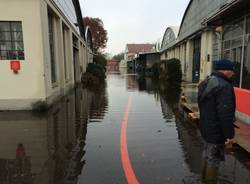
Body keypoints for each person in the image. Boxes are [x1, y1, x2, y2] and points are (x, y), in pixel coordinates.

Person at [198, 59, 236, 184]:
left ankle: (202, 180)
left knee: (207, 155)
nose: (233, 73)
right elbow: (225, 114)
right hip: (215, 131)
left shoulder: (207, 82)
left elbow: (202, 105)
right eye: (232, 70)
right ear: (225, 71)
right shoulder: (224, 86)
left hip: (206, 128)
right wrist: (229, 135)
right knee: (213, 159)